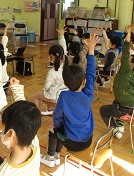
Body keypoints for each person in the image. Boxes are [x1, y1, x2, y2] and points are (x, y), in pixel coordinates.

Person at [40, 32, 98, 168]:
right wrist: (91, 50)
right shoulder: (88, 93)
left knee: (54, 129)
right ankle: (56, 156)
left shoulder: (64, 96)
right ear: (84, 82)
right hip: (88, 139)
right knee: (61, 127)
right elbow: (91, 71)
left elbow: (57, 117)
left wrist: (56, 124)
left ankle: (51, 157)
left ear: (65, 83)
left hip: (73, 142)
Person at [100, 25, 134, 139]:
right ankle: (120, 123)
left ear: (131, 65)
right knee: (115, 102)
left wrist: (128, 33)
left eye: (127, 60)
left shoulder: (126, 71)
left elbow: (125, 52)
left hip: (126, 111)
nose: (124, 60)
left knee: (103, 110)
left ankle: (115, 129)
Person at [34, 44, 67, 116]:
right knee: (51, 90)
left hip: (56, 98)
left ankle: (35, 116)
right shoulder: (66, 66)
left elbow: (46, 87)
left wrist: (44, 91)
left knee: (37, 95)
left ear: (51, 56)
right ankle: (50, 109)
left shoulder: (52, 72)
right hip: (65, 95)